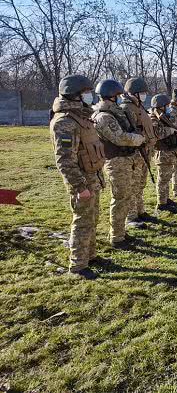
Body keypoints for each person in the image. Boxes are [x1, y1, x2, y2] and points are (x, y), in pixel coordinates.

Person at [50, 75, 105, 280]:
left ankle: (90, 256)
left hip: (92, 178)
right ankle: (78, 265)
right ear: (75, 95)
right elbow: (64, 160)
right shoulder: (65, 122)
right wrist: (80, 187)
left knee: (92, 219)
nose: (89, 96)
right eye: (85, 93)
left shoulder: (81, 117)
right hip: (82, 182)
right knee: (82, 222)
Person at [92, 80, 146, 248]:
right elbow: (120, 137)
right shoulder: (104, 116)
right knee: (120, 198)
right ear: (112, 96)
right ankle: (116, 238)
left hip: (124, 160)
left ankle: (120, 233)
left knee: (125, 197)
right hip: (116, 162)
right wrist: (139, 139)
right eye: (118, 95)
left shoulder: (115, 112)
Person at [121, 77, 156, 227]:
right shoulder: (126, 108)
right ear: (133, 93)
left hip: (144, 151)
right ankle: (131, 216)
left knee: (141, 184)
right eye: (142, 92)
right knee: (133, 185)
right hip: (135, 152)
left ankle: (140, 211)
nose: (144, 95)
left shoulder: (139, 106)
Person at [149, 94, 177, 212]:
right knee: (162, 179)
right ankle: (161, 203)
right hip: (161, 153)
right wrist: (170, 130)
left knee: (167, 177)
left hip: (168, 151)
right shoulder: (153, 118)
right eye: (166, 105)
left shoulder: (163, 117)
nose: (168, 107)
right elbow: (157, 133)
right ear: (160, 106)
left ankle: (166, 199)